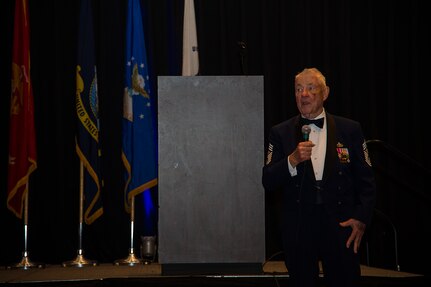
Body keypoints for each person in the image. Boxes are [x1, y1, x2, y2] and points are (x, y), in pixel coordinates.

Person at [262, 67, 376, 287]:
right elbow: (267, 179)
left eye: (310, 88)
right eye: (298, 89)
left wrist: (361, 218)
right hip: (298, 228)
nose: (303, 94)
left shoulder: (350, 129)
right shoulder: (280, 132)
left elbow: (367, 180)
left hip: (341, 225)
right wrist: (291, 160)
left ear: (325, 93)